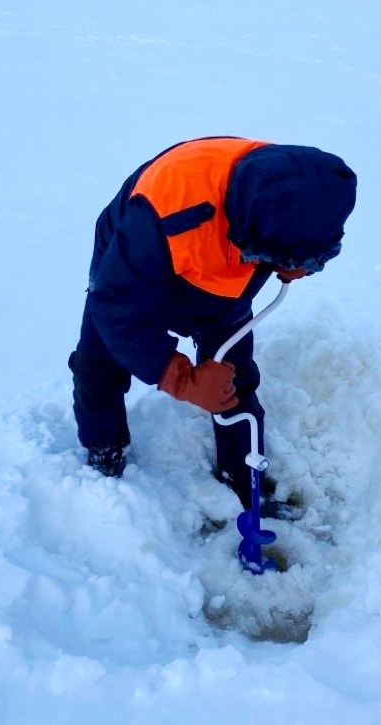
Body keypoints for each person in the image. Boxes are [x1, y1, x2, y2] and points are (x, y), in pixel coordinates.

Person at [68, 136, 357, 512]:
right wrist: (180, 376)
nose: (299, 273)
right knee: (99, 362)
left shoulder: (299, 197)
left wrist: (294, 258)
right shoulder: (160, 219)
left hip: (227, 264)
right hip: (140, 258)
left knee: (232, 378)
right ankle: (104, 452)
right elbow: (116, 307)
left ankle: (243, 478)